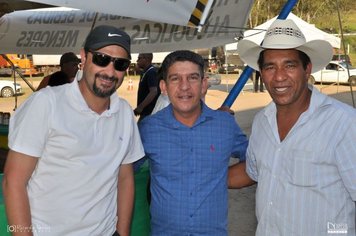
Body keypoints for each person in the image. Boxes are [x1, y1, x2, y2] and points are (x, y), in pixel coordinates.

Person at [3, 25, 145, 236]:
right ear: (84, 58)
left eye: (120, 64)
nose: (109, 71)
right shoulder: (46, 103)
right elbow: (13, 182)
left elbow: (125, 178)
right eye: (101, 59)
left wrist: (122, 233)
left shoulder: (124, 112)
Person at [229, 19, 356, 235]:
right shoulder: (262, 121)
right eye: (270, 67)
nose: (279, 77)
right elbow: (253, 171)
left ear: (307, 70)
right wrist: (196, 175)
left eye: (290, 65)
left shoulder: (343, 123)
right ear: (261, 71)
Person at [138, 50, 248, 235]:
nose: (184, 87)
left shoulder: (225, 125)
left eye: (193, 78)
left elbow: (256, 161)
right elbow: (124, 173)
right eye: (175, 79)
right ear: (164, 87)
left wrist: (220, 178)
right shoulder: (148, 129)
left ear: (204, 84)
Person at [134, 53, 160, 122]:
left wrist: (140, 107)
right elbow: (139, 71)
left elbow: (153, 91)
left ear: (146, 59)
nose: (137, 60)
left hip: (149, 113)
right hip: (146, 112)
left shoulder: (151, 72)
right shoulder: (146, 72)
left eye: (139, 58)